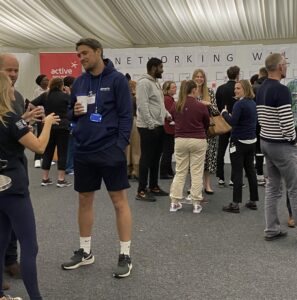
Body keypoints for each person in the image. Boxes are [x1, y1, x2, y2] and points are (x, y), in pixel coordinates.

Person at [61, 38, 133, 278]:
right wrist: (74, 114)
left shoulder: (117, 80)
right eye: (78, 55)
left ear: (98, 52)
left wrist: (120, 146)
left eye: (84, 54)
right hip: (83, 150)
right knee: (84, 200)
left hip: (109, 150)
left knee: (118, 201)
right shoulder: (79, 82)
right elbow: (70, 112)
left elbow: (126, 116)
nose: (80, 58)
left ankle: (125, 255)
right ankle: (85, 252)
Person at [0, 71, 60, 300]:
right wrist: (47, 124)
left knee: (1, 241)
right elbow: (39, 147)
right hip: (14, 190)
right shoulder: (10, 119)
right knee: (29, 246)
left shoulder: (11, 120)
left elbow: (10, 134)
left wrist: (24, 121)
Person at [0, 53, 44, 290]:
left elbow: (13, 125)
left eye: (16, 70)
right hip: (9, 171)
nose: (14, 75)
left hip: (15, 166)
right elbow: (38, 145)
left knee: (10, 226)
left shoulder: (16, 96)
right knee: (25, 237)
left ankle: (10, 261)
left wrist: (23, 120)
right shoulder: (6, 99)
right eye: (9, 70)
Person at [256, 53, 297, 241]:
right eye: (285, 64)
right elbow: (287, 123)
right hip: (281, 145)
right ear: (280, 67)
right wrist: (294, 140)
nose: (286, 66)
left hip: (265, 142)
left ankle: (271, 229)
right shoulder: (281, 90)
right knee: (294, 188)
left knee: (273, 188)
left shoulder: (261, 87)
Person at [169, 80, 209, 213]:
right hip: (198, 140)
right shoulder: (200, 106)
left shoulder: (176, 105)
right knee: (196, 172)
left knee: (180, 171)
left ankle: (174, 202)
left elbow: (170, 118)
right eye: (196, 89)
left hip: (180, 140)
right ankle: (196, 203)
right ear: (193, 90)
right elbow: (206, 123)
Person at [135, 57, 171, 202]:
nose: (162, 70)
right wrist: (151, 124)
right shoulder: (143, 83)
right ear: (154, 68)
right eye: (161, 67)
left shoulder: (156, 83)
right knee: (146, 159)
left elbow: (159, 104)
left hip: (158, 125)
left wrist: (167, 115)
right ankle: (141, 191)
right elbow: (142, 105)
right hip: (148, 127)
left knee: (156, 158)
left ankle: (154, 186)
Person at [221, 80, 259, 213]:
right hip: (251, 142)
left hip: (238, 142)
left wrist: (224, 113)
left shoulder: (239, 104)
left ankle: (235, 204)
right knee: (250, 171)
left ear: (245, 89)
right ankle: (253, 201)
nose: (235, 90)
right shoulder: (253, 103)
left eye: (238, 88)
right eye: (235, 88)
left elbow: (232, 122)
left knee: (237, 173)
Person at [31, 78, 71, 187]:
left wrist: (40, 114)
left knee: (48, 152)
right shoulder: (65, 96)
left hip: (48, 126)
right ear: (61, 85)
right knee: (62, 152)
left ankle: (45, 178)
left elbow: (30, 104)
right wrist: (69, 93)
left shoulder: (45, 95)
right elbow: (74, 105)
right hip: (62, 125)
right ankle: (61, 180)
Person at [192, 69, 219, 194]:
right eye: (197, 76)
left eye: (201, 77)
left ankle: (207, 184)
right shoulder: (189, 92)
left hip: (208, 130)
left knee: (208, 159)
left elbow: (216, 111)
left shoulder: (210, 92)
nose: (199, 79)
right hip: (193, 130)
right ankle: (193, 185)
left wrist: (208, 104)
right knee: (195, 160)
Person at [215, 66, 240, 186]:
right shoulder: (238, 88)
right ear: (237, 75)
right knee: (234, 151)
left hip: (222, 122)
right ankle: (233, 179)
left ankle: (220, 177)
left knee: (221, 150)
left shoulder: (220, 88)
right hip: (235, 123)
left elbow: (217, 106)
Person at [253, 67, 268, 186]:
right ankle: (263, 176)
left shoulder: (254, 87)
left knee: (257, 148)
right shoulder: (271, 86)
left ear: (259, 74)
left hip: (255, 122)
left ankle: (259, 175)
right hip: (269, 122)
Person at [160, 81, 176, 179]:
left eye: (175, 87)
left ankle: (168, 170)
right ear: (167, 89)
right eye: (173, 88)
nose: (175, 89)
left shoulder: (169, 98)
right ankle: (163, 172)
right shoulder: (167, 99)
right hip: (167, 128)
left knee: (169, 150)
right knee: (168, 151)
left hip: (168, 128)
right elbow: (170, 114)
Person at [32, 75, 49, 168]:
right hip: (40, 116)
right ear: (40, 82)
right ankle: (37, 159)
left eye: (47, 79)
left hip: (49, 116)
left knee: (48, 137)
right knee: (39, 136)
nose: (47, 80)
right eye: (45, 80)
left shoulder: (50, 90)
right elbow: (34, 104)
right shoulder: (37, 91)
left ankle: (45, 157)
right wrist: (41, 114)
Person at [63, 76, 76, 175]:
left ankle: (69, 165)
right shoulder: (67, 96)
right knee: (71, 147)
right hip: (69, 124)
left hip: (66, 124)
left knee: (68, 146)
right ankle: (69, 167)